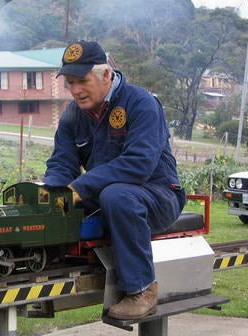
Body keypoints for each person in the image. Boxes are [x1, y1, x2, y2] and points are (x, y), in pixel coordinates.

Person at [44, 41, 186, 320]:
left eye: (82, 81)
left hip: (158, 194)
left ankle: (142, 290)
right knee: (57, 200)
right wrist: (55, 192)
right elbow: (62, 161)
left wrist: (79, 187)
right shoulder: (73, 114)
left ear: (107, 76)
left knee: (117, 195)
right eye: (70, 83)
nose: (75, 91)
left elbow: (139, 165)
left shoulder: (141, 103)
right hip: (105, 193)